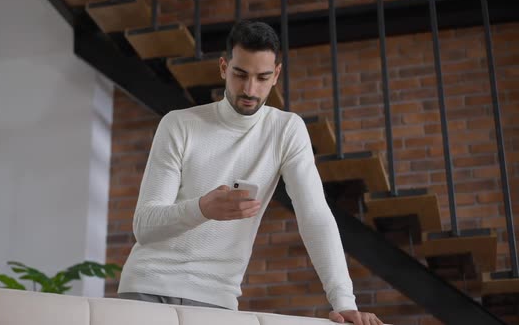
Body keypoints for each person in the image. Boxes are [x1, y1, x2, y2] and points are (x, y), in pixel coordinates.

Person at [117, 20, 383, 325]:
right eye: (240, 74)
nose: (249, 89)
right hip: (148, 286)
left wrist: (344, 301)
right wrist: (202, 208)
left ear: (276, 75)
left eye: (262, 77)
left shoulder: (286, 130)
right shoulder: (178, 124)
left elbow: (314, 215)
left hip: (216, 298)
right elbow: (145, 226)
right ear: (223, 67)